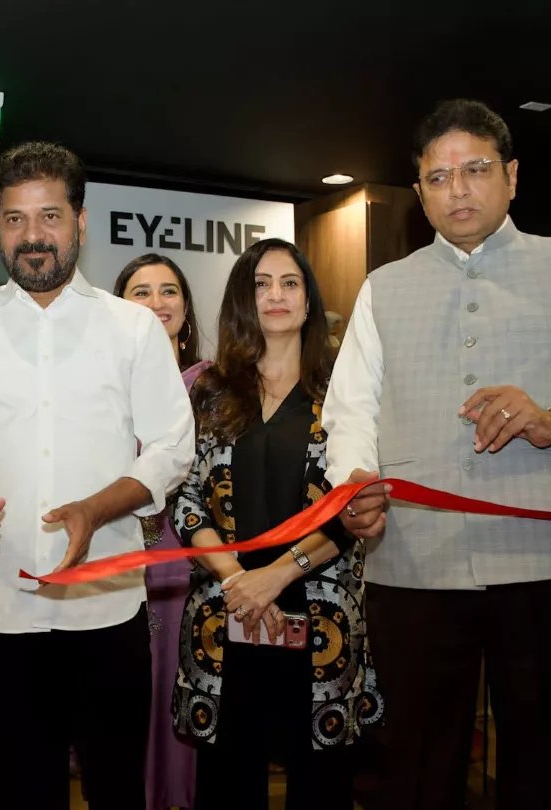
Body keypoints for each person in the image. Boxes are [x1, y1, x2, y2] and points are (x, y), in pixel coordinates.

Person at [323, 99, 551, 810]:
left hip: (550, 565)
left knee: (543, 774)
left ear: (511, 175)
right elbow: (350, 412)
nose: (458, 190)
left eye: (475, 169)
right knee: (417, 775)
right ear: (420, 192)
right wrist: (353, 485)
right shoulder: (384, 287)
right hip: (414, 566)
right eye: (438, 177)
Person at [0, 141, 194, 809]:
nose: (32, 235)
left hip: (107, 609)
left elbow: (173, 446)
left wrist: (97, 509)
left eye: (50, 216)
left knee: (116, 791)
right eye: (15, 219)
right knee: (17, 793)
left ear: (80, 222)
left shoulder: (132, 329)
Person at [173, 238, 380, 810]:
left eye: (290, 283)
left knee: (321, 784)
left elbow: (353, 505)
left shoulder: (343, 392)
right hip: (227, 611)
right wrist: (239, 579)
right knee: (227, 783)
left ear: (309, 300)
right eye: (261, 284)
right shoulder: (211, 390)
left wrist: (277, 576)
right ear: (244, 299)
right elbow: (186, 499)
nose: (276, 295)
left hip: (320, 616)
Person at [113, 252, 205, 810]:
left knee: (182, 676)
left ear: (186, 309)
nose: (156, 302)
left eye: (168, 291)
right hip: (115, 556)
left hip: (191, 559)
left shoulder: (212, 386)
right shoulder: (101, 391)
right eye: (140, 292)